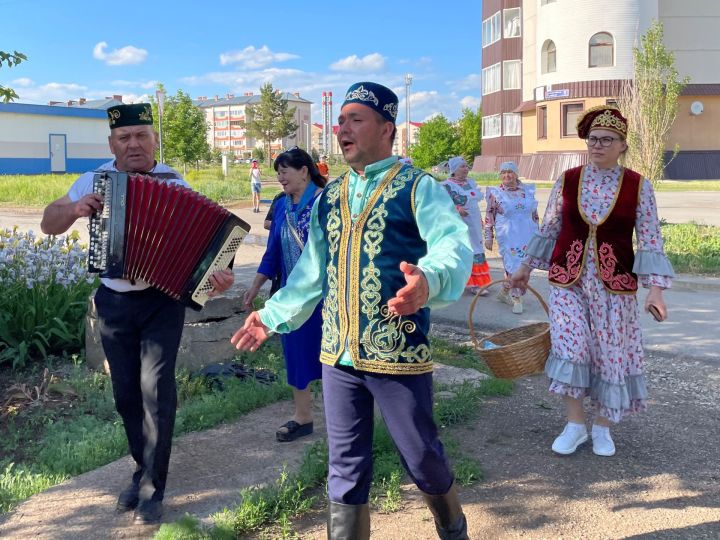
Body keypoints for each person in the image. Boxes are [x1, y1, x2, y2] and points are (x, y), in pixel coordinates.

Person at [231, 82, 473, 539]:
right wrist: (270, 315)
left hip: (396, 352)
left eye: (354, 119)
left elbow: (451, 246)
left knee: (421, 454)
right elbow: (310, 271)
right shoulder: (332, 194)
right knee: (344, 464)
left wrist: (429, 282)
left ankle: (454, 529)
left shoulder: (419, 187)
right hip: (337, 353)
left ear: (387, 129)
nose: (342, 128)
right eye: (340, 120)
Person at [40, 103, 234, 524]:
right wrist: (74, 210)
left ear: (154, 140)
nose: (133, 144)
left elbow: (211, 252)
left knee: (156, 390)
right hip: (113, 301)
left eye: (141, 136)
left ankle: (151, 488)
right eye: (124, 137)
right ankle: (141, 467)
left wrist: (220, 276)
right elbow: (47, 222)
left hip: (161, 302)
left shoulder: (173, 182)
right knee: (126, 393)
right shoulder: (93, 180)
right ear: (112, 144)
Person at [511, 105, 674, 457]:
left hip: (614, 286)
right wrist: (525, 267)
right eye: (592, 139)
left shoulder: (637, 186)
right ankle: (574, 425)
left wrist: (656, 290)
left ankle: (602, 427)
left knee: (609, 354)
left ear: (622, 145)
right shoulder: (567, 179)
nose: (597, 145)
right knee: (572, 348)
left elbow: (649, 238)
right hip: (568, 281)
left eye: (606, 140)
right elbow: (551, 226)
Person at [243, 147, 326, 441]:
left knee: (335, 355)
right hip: (291, 296)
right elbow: (273, 251)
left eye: (284, 171)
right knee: (295, 353)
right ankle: (303, 417)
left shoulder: (325, 202)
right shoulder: (281, 206)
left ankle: (348, 416)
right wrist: (256, 284)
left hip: (327, 297)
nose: (279, 177)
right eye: (277, 172)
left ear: (304, 170)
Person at [484, 161, 539, 314]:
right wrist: (489, 236)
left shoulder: (527, 191)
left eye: (510, 172)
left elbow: (534, 215)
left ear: (516, 173)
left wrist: (540, 235)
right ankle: (517, 298)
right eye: (503, 172)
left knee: (526, 265)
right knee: (513, 266)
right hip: (508, 235)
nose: (506, 175)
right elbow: (489, 215)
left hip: (528, 234)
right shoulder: (495, 193)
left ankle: (503, 292)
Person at [441, 156, 492, 296]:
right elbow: (443, 204)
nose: (466, 169)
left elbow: (474, 203)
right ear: (454, 170)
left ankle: (478, 282)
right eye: (462, 166)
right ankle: (460, 283)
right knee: (461, 251)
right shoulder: (446, 185)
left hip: (473, 223)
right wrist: (457, 209)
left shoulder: (470, 183)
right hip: (458, 224)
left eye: (466, 166)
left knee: (476, 249)